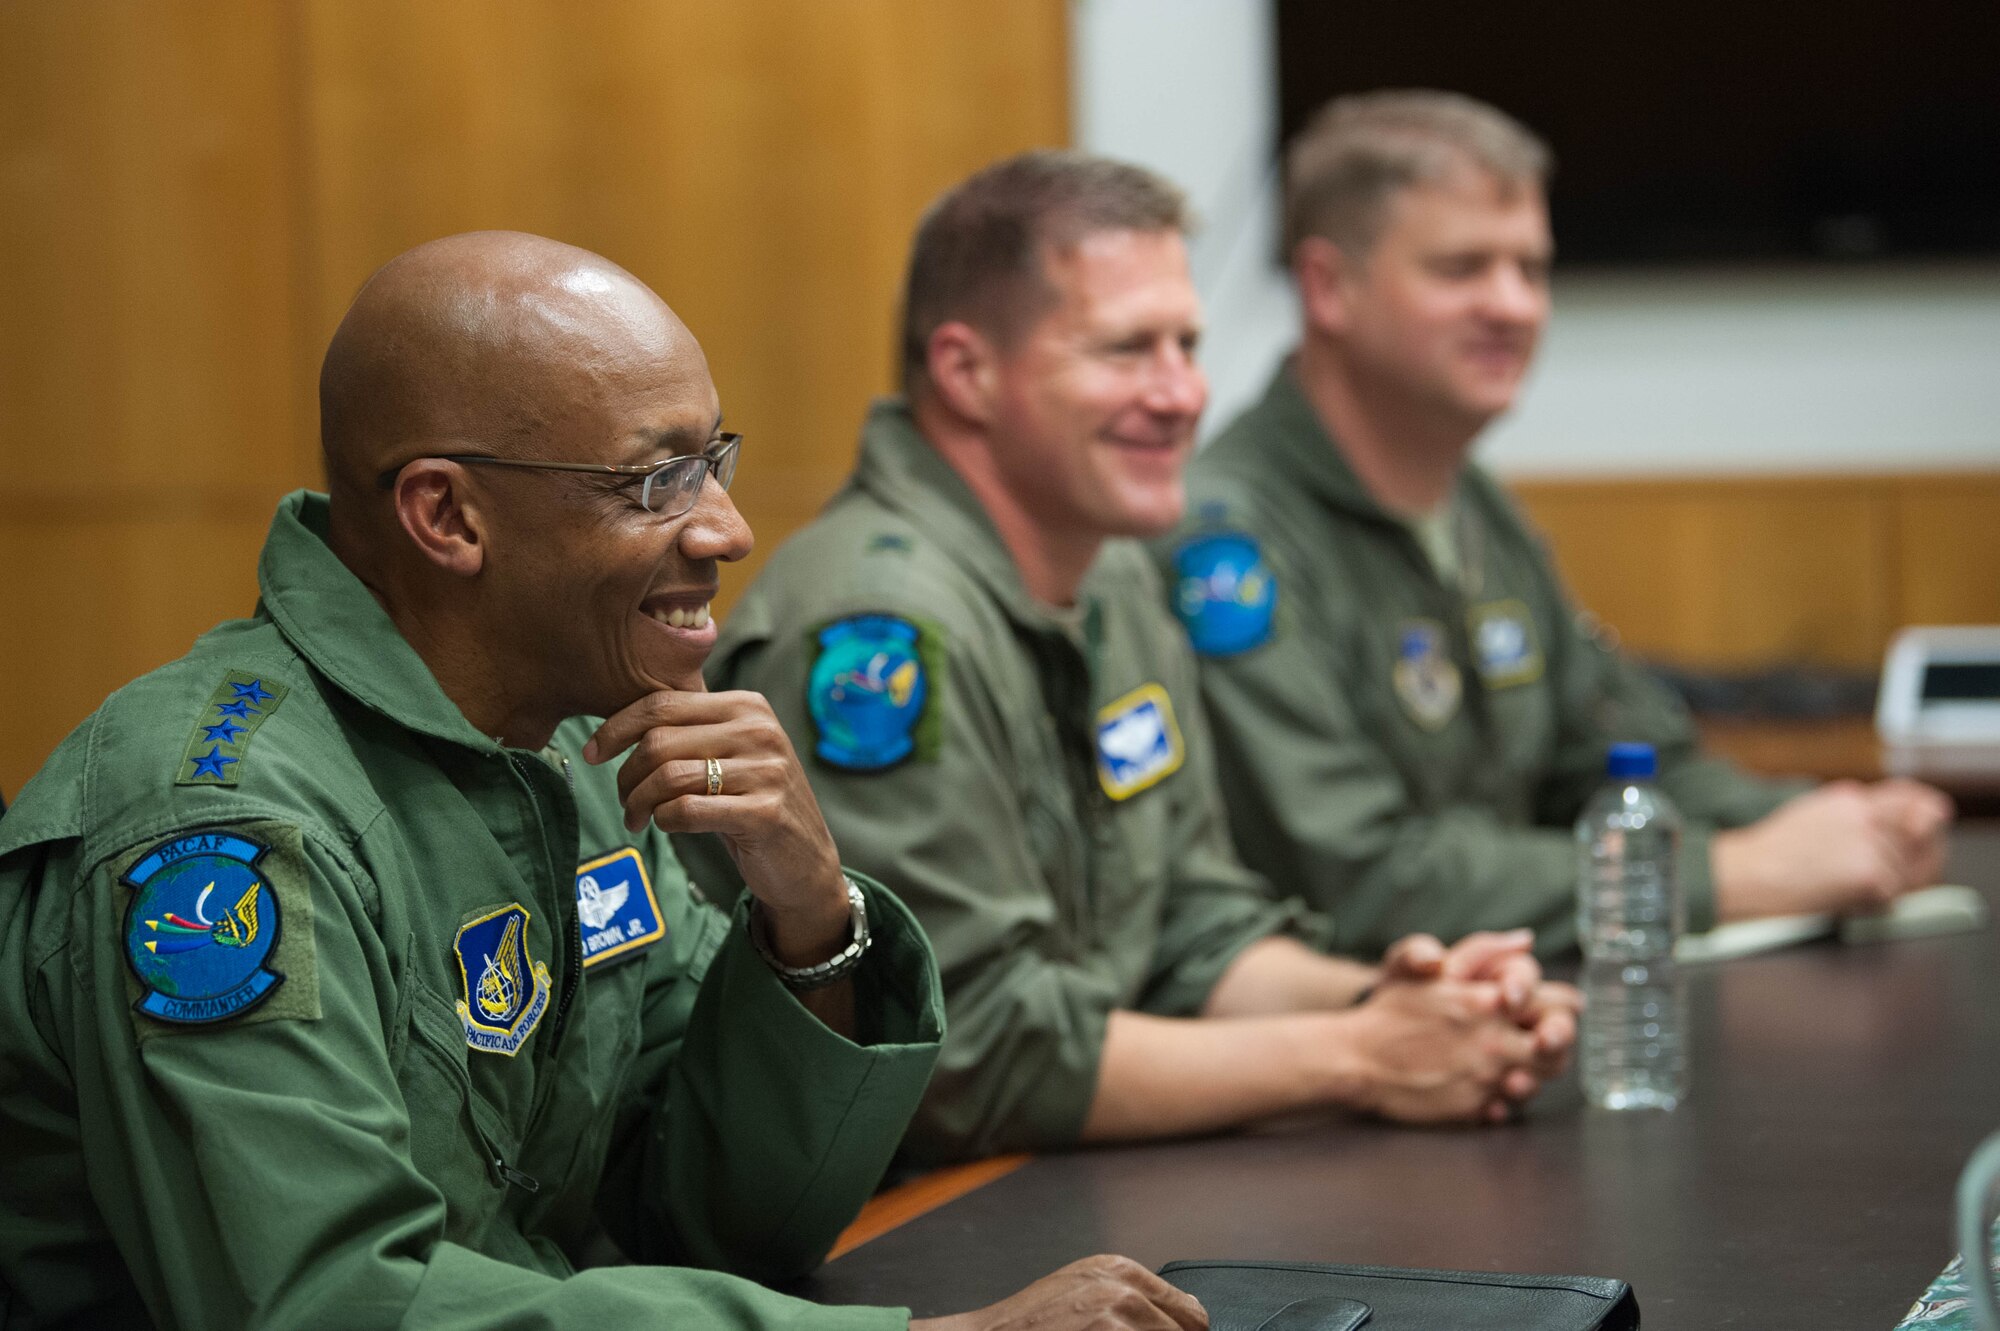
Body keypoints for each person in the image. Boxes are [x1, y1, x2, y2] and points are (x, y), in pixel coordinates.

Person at [0, 231, 1209, 1331]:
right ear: (447, 516)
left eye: (713, 460)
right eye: (656, 481)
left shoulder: (563, 744)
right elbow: (332, 1302)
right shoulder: (221, 830)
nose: (727, 529)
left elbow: (704, 1214)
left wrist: (806, 917)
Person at [704, 151, 1577, 1167]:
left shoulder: (1111, 572)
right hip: (898, 1217)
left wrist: (1410, 1001)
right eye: (1125, 350)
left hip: (1061, 1175)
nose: (1181, 394)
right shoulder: (881, 629)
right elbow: (967, 1050)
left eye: (1187, 344)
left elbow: (1189, 927)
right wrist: (1363, 1054)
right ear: (966, 371)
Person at [1161, 90, 1954, 958]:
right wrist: (1732, 875)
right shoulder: (1223, 541)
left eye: (1530, 269)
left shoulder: (1474, 505)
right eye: (1462, 269)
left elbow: (1623, 758)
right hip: (1342, 1048)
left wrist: (1832, 822)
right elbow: (1361, 878)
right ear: (1328, 287)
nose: (1514, 305)